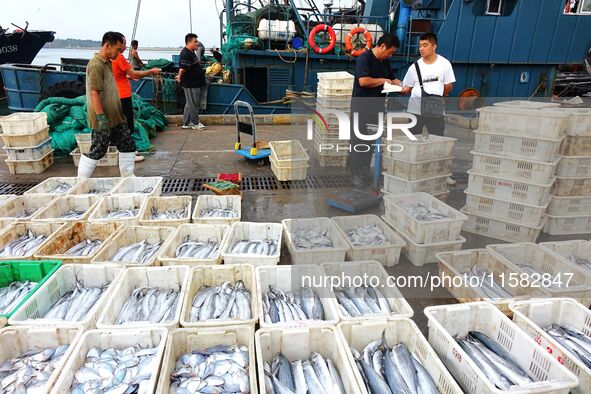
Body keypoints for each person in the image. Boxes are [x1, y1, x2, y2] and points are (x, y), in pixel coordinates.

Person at [77, 31, 137, 178]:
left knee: (127, 145)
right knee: (98, 150)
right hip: (103, 118)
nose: (119, 52)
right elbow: (94, 93)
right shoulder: (96, 65)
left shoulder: (108, 62)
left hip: (116, 116)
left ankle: (129, 178)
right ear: (107, 46)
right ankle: (80, 181)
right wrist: (101, 118)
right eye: (117, 49)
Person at [401, 32, 456, 185]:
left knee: (438, 141)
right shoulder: (415, 66)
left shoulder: (445, 64)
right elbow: (407, 87)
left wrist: (434, 99)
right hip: (415, 110)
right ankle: (410, 171)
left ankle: (441, 173)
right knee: (412, 140)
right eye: (420, 45)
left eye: (425, 45)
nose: (421, 49)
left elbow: (448, 86)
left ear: (434, 46)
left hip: (435, 110)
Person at [348, 33, 401, 188]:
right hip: (361, 107)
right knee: (358, 141)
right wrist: (382, 81)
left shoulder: (384, 62)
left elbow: (392, 78)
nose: (390, 55)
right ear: (382, 46)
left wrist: (400, 84)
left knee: (371, 142)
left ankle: (364, 169)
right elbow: (363, 81)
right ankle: (355, 173)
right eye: (390, 52)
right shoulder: (365, 58)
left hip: (377, 108)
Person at [112, 36, 161, 163]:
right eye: (123, 43)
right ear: (117, 44)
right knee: (127, 126)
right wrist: (151, 71)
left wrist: (127, 76)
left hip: (116, 95)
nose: (124, 46)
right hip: (123, 96)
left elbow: (119, 74)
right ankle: (128, 155)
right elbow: (134, 73)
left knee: (123, 125)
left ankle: (128, 151)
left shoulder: (110, 59)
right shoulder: (119, 57)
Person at [175, 33, 206, 130]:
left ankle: (186, 122)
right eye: (195, 41)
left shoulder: (191, 52)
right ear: (189, 42)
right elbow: (182, 68)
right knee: (194, 103)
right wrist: (179, 77)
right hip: (191, 84)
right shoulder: (186, 54)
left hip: (195, 82)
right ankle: (195, 123)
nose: (197, 43)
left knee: (189, 103)